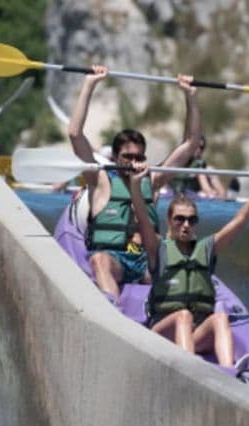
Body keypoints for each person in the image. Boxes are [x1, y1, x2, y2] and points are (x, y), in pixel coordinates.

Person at [68, 64, 202, 304]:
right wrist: (90, 84)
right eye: (127, 157)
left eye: (138, 157)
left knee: (171, 256)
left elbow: (190, 143)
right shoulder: (99, 180)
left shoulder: (154, 180)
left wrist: (190, 97)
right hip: (113, 259)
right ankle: (113, 310)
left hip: (146, 260)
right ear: (115, 158)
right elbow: (75, 134)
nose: (133, 162)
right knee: (99, 261)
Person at [129, 162, 249, 367]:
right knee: (183, 316)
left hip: (194, 334)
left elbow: (240, 219)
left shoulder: (206, 248)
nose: (186, 224)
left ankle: (228, 374)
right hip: (163, 333)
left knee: (220, 318)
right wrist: (135, 184)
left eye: (191, 220)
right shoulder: (158, 247)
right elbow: (141, 217)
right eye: (179, 219)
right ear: (169, 221)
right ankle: (192, 370)